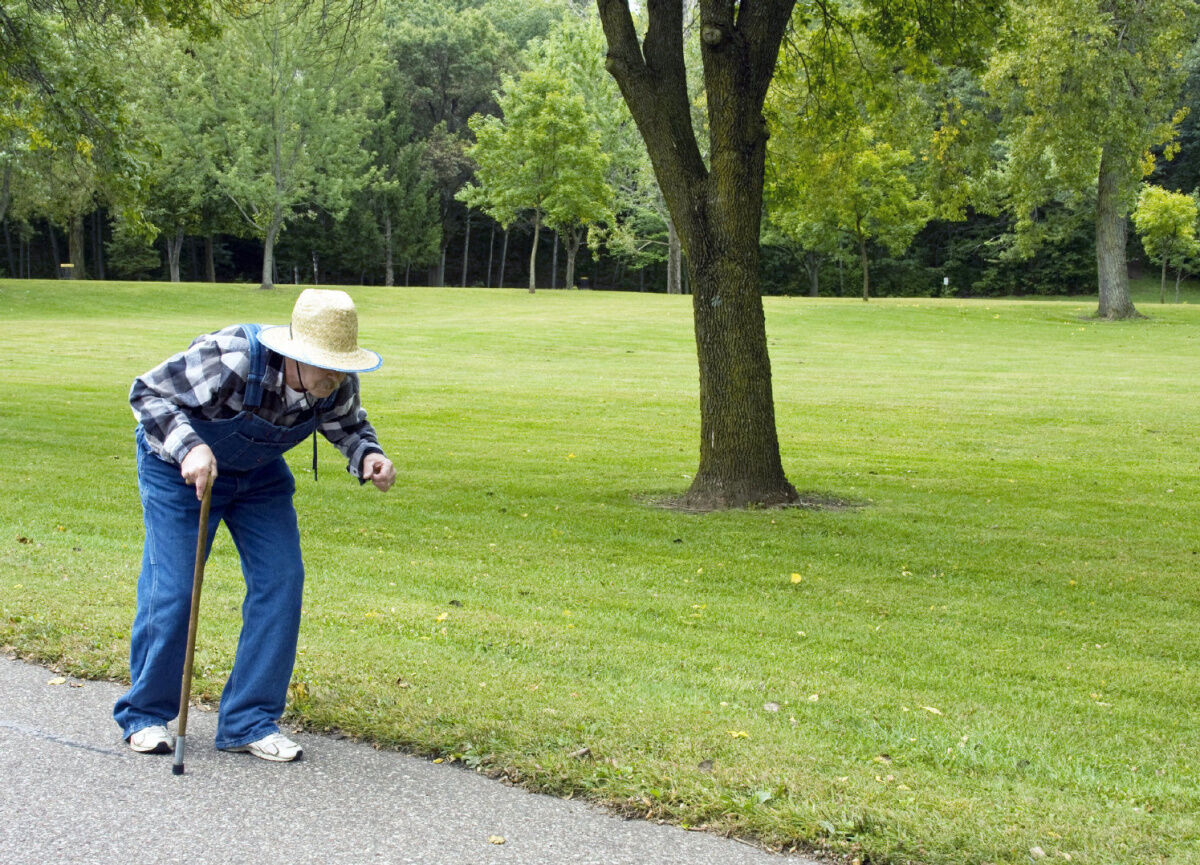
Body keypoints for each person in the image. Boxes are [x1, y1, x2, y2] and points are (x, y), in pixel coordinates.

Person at [113, 289, 395, 762]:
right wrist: (190, 447)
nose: (334, 377)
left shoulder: (335, 380)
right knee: (176, 590)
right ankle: (144, 714)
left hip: (259, 477)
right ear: (295, 354)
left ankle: (249, 720)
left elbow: (348, 425)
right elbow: (147, 394)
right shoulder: (232, 358)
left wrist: (369, 456)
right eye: (324, 365)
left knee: (281, 581)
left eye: (340, 366)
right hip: (179, 473)